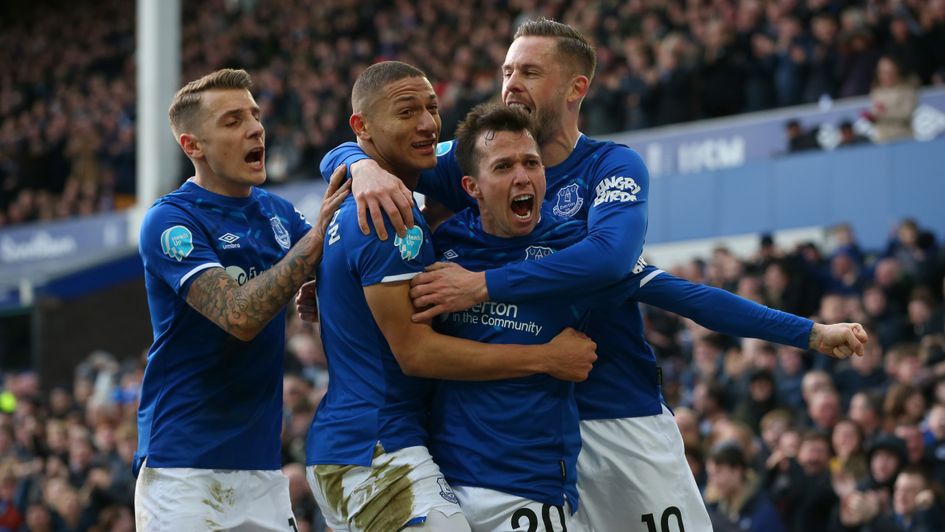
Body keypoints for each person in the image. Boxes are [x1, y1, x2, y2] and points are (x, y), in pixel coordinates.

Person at [318, 19, 868, 531]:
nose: (511, 84)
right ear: (472, 185)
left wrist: (809, 332)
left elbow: (622, 264)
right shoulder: (474, 159)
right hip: (510, 446)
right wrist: (359, 167)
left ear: (576, 87)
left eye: (530, 72)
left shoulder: (611, 167)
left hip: (615, 413)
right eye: (507, 70)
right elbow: (375, 146)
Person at [304, 61, 596, 532]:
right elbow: (417, 353)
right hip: (378, 448)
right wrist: (545, 358)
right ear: (363, 127)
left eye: (432, 108)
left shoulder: (369, 197)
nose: (426, 123)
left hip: (355, 444)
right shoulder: (390, 214)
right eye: (407, 112)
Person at [134, 68, 351, 531]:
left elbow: (339, 264)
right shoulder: (171, 221)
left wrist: (326, 289)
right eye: (232, 121)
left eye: (255, 116)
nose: (255, 128)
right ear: (193, 146)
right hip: (184, 470)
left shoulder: (276, 213)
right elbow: (238, 315)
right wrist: (308, 252)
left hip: (263, 470)